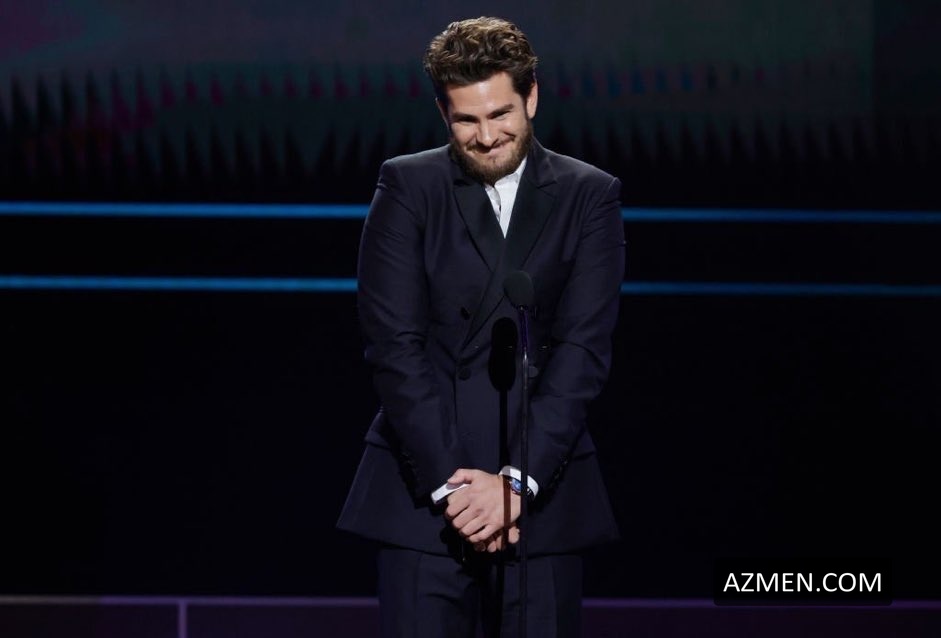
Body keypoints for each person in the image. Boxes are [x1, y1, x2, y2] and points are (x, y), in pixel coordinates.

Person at [338, 16, 623, 638]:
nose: (488, 137)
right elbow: (393, 347)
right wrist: (457, 491)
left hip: (541, 498)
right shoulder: (409, 185)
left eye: (500, 114)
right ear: (443, 113)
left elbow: (582, 352)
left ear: (531, 97)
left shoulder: (588, 195)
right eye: (467, 120)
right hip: (425, 494)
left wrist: (515, 483)